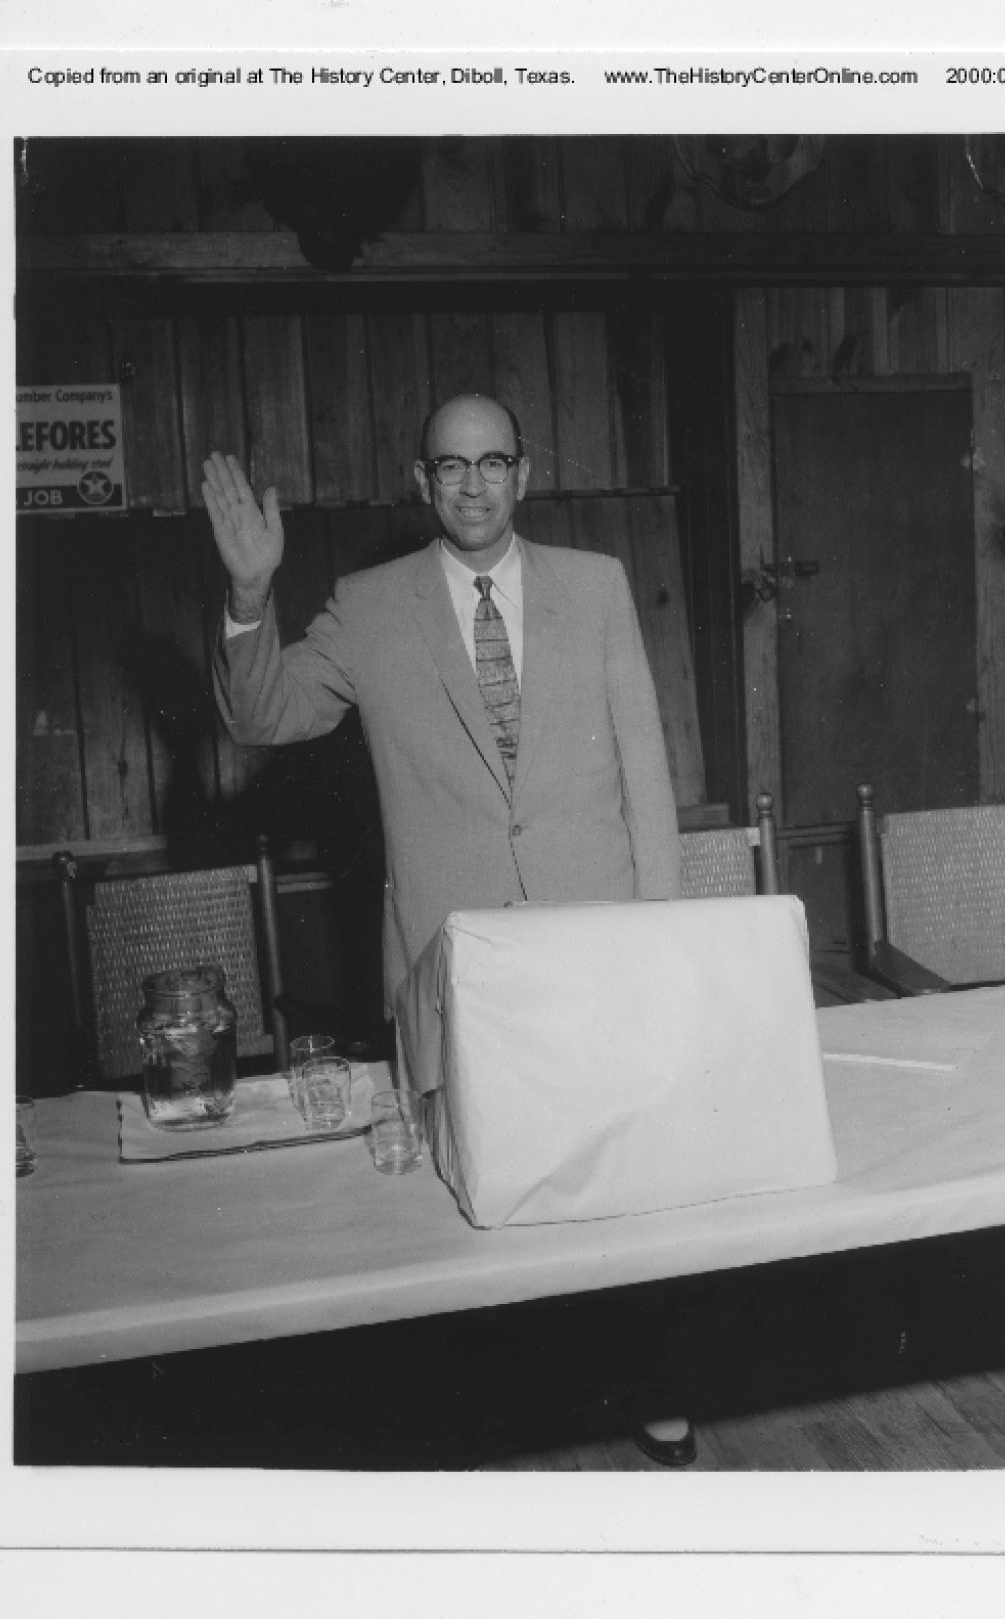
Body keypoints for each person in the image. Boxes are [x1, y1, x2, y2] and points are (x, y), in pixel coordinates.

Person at [204, 392, 695, 1466]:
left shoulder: (596, 587)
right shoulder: (370, 605)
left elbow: (645, 772)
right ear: (420, 484)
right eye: (449, 466)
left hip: (597, 940)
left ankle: (649, 1380)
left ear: (524, 473)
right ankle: (512, 1405)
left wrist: (660, 936)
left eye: (492, 462)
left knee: (623, 1187)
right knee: (475, 1195)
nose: (473, 483)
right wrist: (250, 593)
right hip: (452, 956)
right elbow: (265, 714)